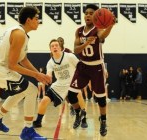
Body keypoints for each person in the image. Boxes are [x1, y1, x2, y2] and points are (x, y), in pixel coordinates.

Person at [0, 6, 51, 140]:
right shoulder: (19, 34)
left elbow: (23, 60)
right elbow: (13, 65)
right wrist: (37, 75)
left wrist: (39, 74)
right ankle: (27, 131)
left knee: (22, 91)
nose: (38, 21)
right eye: (36, 18)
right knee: (31, 91)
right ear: (28, 20)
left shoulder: (22, 34)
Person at [66, 4, 115, 136]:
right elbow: (76, 50)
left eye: (91, 13)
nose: (88, 15)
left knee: (101, 99)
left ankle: (103, 120)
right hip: (83, 66)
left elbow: (103, 36)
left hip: (96, 67)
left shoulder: (97, 29)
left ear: (96, 16)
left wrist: (110, 25)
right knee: (70, 95)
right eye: (86, 13)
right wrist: (86, 43)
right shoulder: (79, 31)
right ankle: (79, 112)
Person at [33, 39, 83, 128]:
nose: (54, 47)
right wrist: (47, 78)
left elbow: (81, 67)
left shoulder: (70, 56)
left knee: (77, 98)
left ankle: (81, 117)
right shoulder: (50, 62)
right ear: (50, 50)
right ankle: (38, 121)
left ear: (60, 48)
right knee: (44, 100)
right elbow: (49, 75)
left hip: (72, 83)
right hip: (59, 84)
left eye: (56, 45)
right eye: (52, 46)